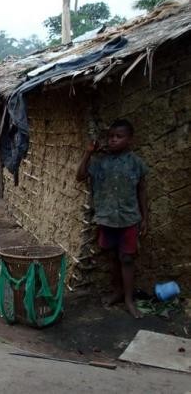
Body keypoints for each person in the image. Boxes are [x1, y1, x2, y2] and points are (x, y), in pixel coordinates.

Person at [76, 119, 148, 319]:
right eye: (111, 136)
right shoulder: (100, 162)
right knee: (112, 257)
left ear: (130, 139)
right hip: (106, 219)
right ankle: (117, 292)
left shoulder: (136, 163)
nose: (113, 140)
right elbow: (79, 176)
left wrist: (145, 218)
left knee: (127, 258)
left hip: (129, 219)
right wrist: (88, 153)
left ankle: (129, 300)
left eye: (119, 136)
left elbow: (142, 190)